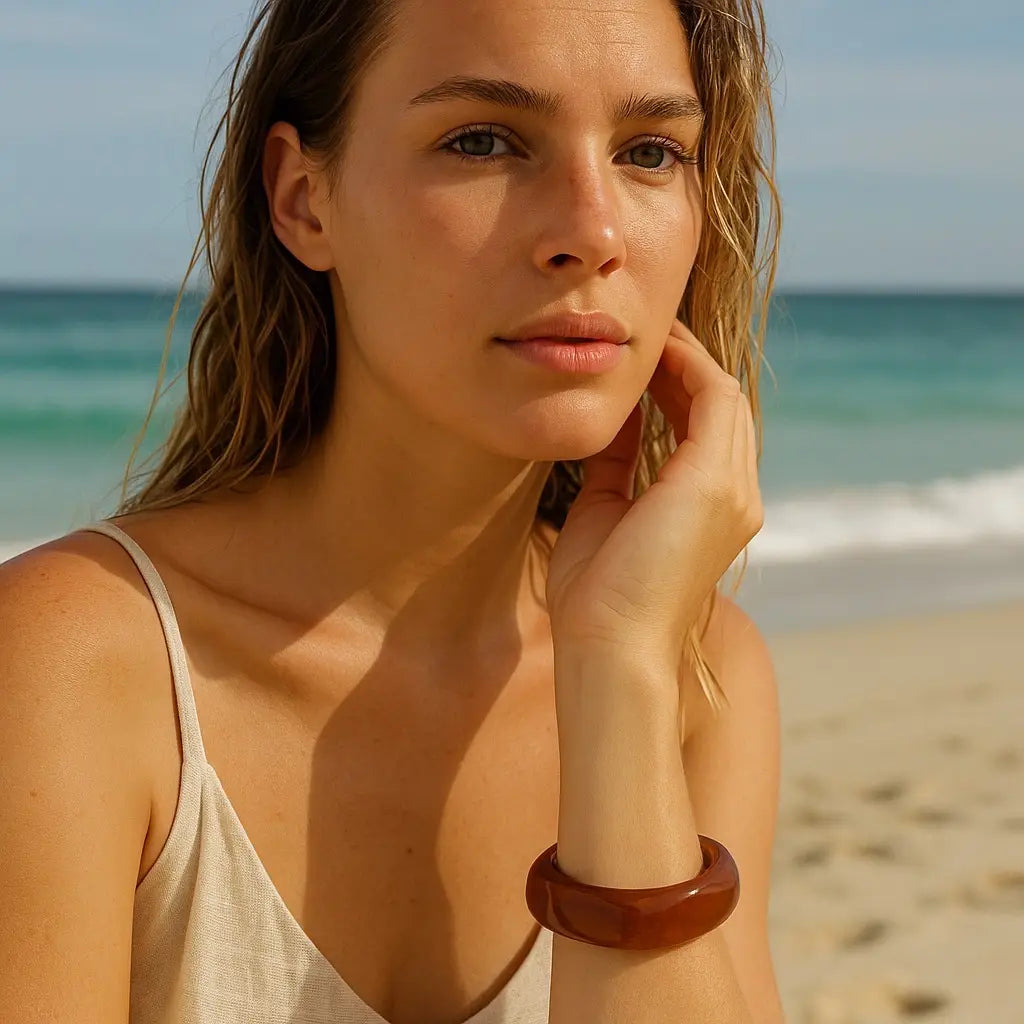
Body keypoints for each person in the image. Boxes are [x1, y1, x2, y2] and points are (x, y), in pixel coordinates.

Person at [0, 0, 785, 1021]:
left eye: (647, 151)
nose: (591, 232)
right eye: (482, 141)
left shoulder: (696, 673)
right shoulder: (72, 664)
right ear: (302, 199)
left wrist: (621, 672)